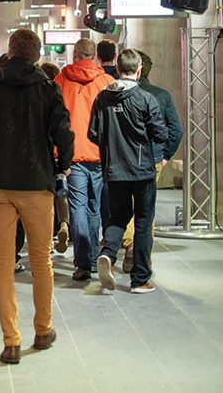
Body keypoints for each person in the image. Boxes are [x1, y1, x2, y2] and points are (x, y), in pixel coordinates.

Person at [0, 29, 73, 365]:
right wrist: (63, 166)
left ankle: (11, 342)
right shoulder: (48, 88)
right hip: (37, 183)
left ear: (10, 53)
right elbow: (63, 131)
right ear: (37, 56)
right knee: (41, 261)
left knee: (4, 264)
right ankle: (43, 330)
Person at [90, 49, 167, 294]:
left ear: (118, 68)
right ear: (139, 70)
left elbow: (93, 133)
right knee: (143, 222)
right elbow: (160, 134)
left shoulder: (102, 98)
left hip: (114, 169)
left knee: (118, 217)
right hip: (142, 171)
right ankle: (140, 279)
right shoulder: (145, 98)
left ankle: (108, 254)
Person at [53, 38, 114, 281]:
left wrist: (57, 152)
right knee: (94, 205)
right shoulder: (107, 82)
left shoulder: (61, 80)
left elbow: (55, 119)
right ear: (95, 56)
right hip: (100, 154)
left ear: (75, 54)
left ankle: (83, 264)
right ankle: (90, 257)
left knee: (77, 206)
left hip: (73, 154)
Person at [119, 50, 183, 271]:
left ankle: (128, 245)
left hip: (124, 158)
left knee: (128, 203)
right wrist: (166, 155)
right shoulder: (162, 95)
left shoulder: (117, 94)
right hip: (152, 158)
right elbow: (176, 130)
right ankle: (142, 253)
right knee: (147, 207)